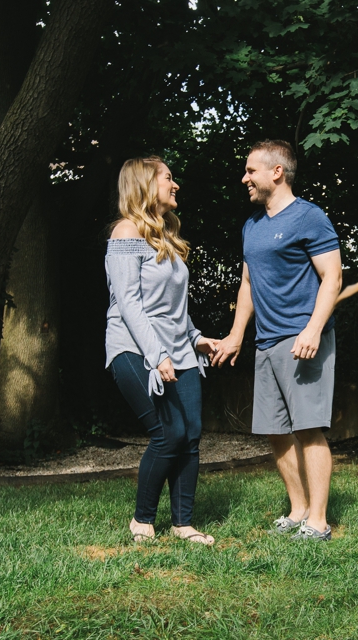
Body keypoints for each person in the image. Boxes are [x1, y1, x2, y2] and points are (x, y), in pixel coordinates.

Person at [207, 140, 342, 542]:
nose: (244, 177)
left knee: (309, 428)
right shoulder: (252, 225)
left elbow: (332, 278)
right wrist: (236, 335)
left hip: (302, 338)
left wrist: (314, 329)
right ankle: (298, 508)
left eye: (251, 170)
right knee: (275, 429)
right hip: (266, 342)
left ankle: (318, 520)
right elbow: (248, 283)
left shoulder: (309, 218)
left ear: (276, 172)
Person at [105, 156, 215, 546]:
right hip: (133, 348)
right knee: (168, 432)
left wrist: (196, 337)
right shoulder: (125, 232)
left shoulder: (164, 235)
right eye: (168, 178)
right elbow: (130, 303)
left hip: (177, 349)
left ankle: (184, 524)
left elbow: (174, 307)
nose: (175, 185)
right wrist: (157, 355)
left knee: (191, 434)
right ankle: (142, 520)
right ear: (145, 184)